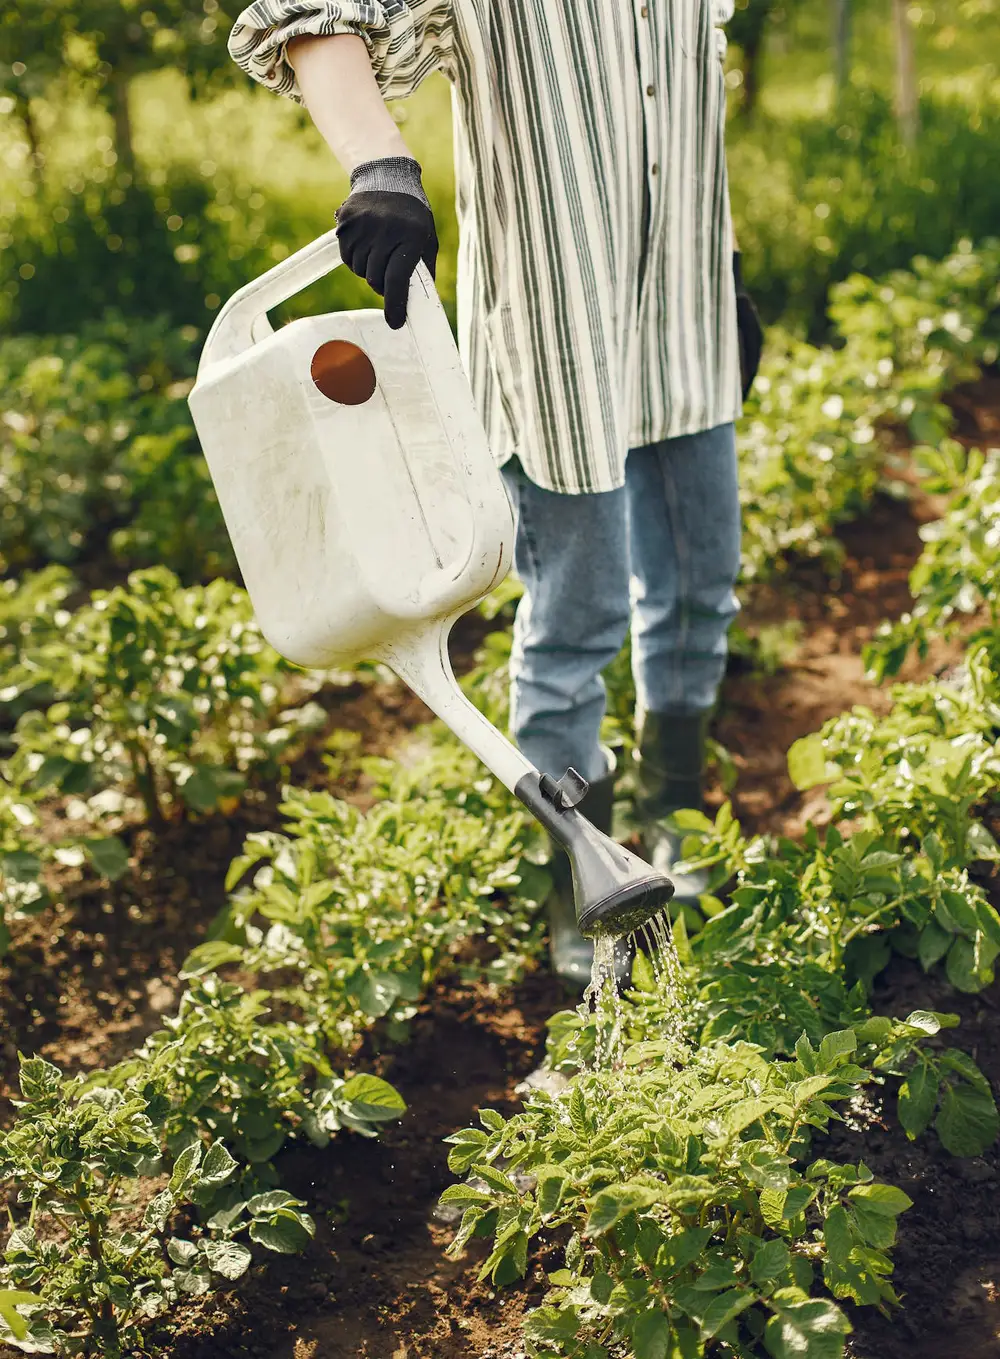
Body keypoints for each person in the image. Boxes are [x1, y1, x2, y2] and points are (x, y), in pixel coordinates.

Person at [227, 0, 763, 988]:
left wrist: (721, 261)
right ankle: (589, 897)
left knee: (699, 591)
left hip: (682, 313)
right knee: (576, 625)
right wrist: (378, 160)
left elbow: (689, 83)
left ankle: (672, 837)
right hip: (562, 331)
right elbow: (311, 15)